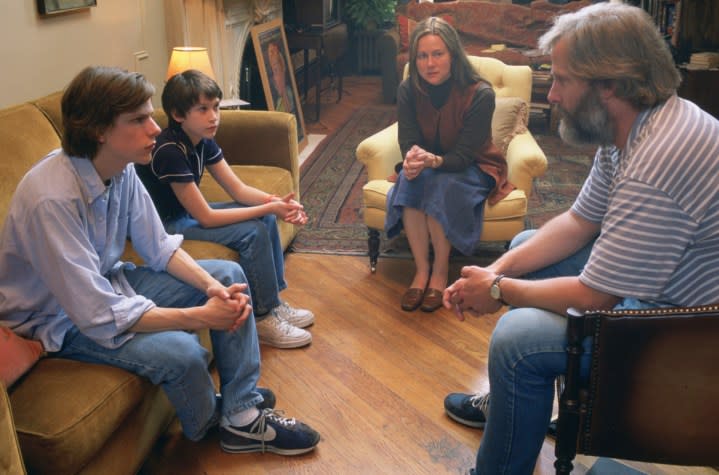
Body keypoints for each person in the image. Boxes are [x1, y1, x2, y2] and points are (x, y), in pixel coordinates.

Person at [442, 3, 719, 473]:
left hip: (684, 332)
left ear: (609, 84)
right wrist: (497, 270)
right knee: (519, 250)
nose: (551, 96)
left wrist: (495, 290)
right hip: (658, 292)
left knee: (516, 340)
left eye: (563, 80)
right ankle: (521, 403)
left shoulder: (659, 160)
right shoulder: (632, 127)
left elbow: (596, 293)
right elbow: (579, 221)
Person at [0, 66, 320, 455]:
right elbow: (97, 313)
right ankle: (213, 421)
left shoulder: (121, 168)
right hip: (57, 320)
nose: (156, 127)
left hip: (109, 281)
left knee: (229, 275)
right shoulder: (51, 199)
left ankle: (240, 413)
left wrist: (213, 290)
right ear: (99, 129)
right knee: (184, 353)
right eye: (139, 119)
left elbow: (160, 247)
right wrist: (202, 316)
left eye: (152, 115)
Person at [135, 69, 313, 349]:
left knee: (264, 215)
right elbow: (205, 217)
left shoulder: (203, 140)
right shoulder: (169, 150)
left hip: (185, 215)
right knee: (253, 231)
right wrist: (268, 209)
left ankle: (274, 303)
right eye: (203, 109)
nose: (213, 116)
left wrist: (277, 203)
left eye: (216, 107)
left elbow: (239, 190)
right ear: (178, 115)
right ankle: (263, 317)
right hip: (165, 225)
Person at [385, 17, 513, 313]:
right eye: (422, 56)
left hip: (473, 166)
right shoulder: (407, 89)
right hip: (430, 163)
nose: (430, 63)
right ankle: (421, 269)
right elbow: (408, 140)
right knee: (409, 178)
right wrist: (413, 160)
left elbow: (464, 155)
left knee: (440, 183)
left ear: (453, 55)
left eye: (438, 54)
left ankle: (440, 271)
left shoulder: (480, 93)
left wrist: (435, 161)